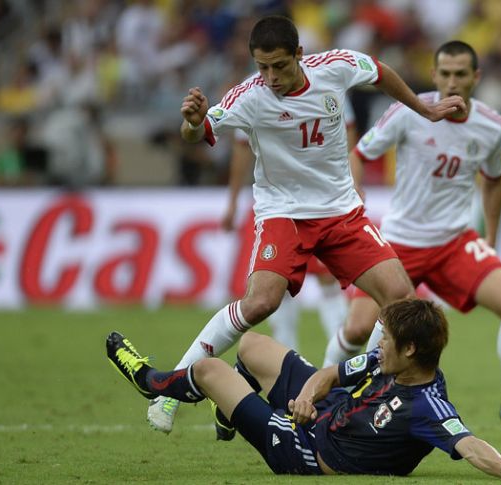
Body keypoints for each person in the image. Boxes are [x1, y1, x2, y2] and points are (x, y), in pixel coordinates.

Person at [146, 14, 466, 434]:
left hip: (339, 211)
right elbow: (201, 131)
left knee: (401, 299)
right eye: (262, 67)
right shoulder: (249, 96)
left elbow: (379, 71)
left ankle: (364, 393)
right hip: (284, 213)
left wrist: (421, 107)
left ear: (300, 54)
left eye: (279, 65)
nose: (271, 77)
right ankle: (171, 391)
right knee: (261, 303)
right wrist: (191, 122)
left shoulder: (333, 67)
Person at [321, 40, 501, 440]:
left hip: (453, 241)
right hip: (397, 242)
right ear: (434, 76)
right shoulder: (407, 112)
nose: (451, 82)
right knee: (359, 330)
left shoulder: (492, 126)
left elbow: (494, 182)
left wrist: (491, 239)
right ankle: (323, 394)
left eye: (460, 74)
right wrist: (354, 194)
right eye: (444, 73)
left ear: (475, 78)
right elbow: (358, 152)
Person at [106, 298, 501, 481]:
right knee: (254, 344)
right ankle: (232, 407)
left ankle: (151, 383)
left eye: (387, 338)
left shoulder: (428, 406)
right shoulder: (384, 360)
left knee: (208, 370)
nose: (378, 344)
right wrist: (306, 396)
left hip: (309, 450)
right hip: (327, 411)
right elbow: (331, 375)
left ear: (410, 349)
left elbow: (469, 444)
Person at [219, 98, 358, 350]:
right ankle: (286, 358)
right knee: (275, 282)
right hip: (277, 205)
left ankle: (341, 356)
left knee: (328, 276)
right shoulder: (251, 94)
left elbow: (349, 136)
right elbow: (241, 148)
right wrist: (232, 200)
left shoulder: (327, 81)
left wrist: (353, 189)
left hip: (322, 201)